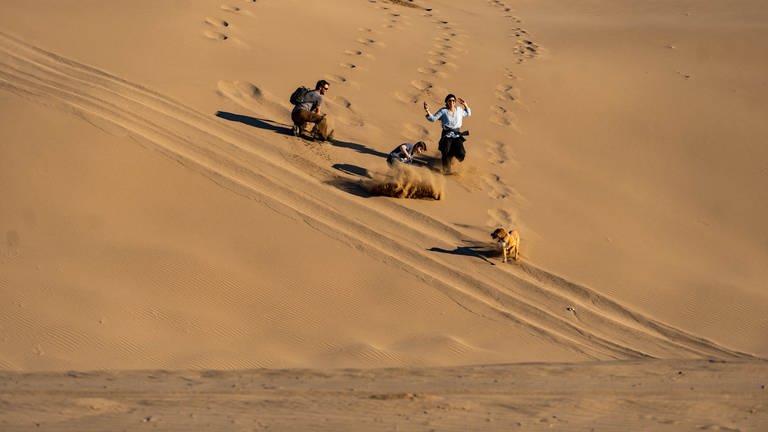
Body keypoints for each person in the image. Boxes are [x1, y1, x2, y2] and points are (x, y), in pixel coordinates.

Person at [423, 93, 471, 173]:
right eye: (450, 100)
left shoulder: (459, 110)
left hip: (457, 135)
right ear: (446, 102)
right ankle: (447, 170)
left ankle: (453, 159)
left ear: (455, 102)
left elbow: (468, 114)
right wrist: (427, 110)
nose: (451, 102)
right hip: (447, 134)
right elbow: (433, 119)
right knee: (446, 151)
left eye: (453, 100)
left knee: (461, 153)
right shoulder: (443, 111)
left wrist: (465, 104)